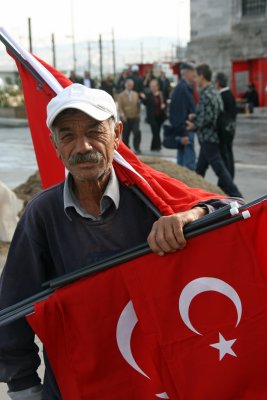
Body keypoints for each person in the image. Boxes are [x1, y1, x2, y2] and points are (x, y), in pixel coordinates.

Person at [0, 83, 242, 400]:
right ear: (55, 145)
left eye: (94, 132)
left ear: (117, 133)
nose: (82, 146)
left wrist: (192, 217)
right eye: (67, 136)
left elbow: (236, 213)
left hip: (159, 380)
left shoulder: (154, 198)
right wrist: (25, 387)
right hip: (82, 384)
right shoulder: (41, 215)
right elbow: (12, 310)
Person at [186, 64, 242, 198]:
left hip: (208, 137)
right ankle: (192, 193)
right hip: (210, 137)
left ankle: (237, 196)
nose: (195, 80)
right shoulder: (214, 93)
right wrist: (196, 116)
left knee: (220, 170)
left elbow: (209, 117)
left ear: (202, 76)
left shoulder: (207, 94)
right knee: (200, 170)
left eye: (196, 77)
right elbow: (212, 113)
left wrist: (194, 125)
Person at [169, 62, 197, 171]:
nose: (195, 74)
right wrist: (183, 130)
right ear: (186, 73)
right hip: (185, 129)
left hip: (182, 129)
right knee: (188, 166)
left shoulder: (181, 87)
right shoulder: (183, 88)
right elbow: (180, 112)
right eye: (193, 72)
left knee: (181, 165)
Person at [215, 72, 237, 178]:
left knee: (225, 156)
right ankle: (230, 176)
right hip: (231, 129)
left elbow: (220, 115)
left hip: (224, 131)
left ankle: (227, 178)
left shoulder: (221, 96)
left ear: (218, 83)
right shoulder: (230, 94)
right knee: (229, 154)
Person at [140, 78, 166, 151]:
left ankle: (154, 146)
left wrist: (164, 105)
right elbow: (145, 103)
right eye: (151, 86)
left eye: (154, 86)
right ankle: (158, 146)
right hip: (152, 117)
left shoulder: (161, 94)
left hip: (160, 116)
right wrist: (143, 98)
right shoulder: (148, 95)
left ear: (157, 87)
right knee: (155, 131)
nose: (152, 88)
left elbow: (165, 102)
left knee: (157, 131)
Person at [117, 78, 142, 154]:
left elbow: (138, 105)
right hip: (126, 118)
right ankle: (126, 149)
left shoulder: (135, 94)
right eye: (128, 85)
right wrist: (122, 115)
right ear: (125, 85)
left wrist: (138, 114)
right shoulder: (121, 95)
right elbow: (120, 107)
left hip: (135, 117)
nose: (129, 86)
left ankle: (137, 147)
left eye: (131, 85)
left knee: (137, 132)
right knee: (126, 135)